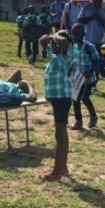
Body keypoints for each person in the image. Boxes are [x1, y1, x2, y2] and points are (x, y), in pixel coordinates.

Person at [39, 29, 74, 180]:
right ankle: (63, 167)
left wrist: (55, 37)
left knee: (59, 135)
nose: (52, 44)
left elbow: (65, 41)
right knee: (62, 133)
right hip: (57, 98)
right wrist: (49, 38)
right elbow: (41, 40)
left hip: (62, 98)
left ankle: (56, 171)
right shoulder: (54, 55)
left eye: (55, 43)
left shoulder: (66, 55)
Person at [70, 22, 100, 130]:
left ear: (83, 34)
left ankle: (93, 116)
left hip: (88, 79)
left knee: (85, 98)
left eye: (76, 34)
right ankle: (78, 121)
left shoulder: (89, 46)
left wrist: (91, 72)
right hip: (77, 77)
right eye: (72, 34)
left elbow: (96, 61)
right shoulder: (73, 47)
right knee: (75, 98)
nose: (74, 37)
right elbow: (73, 62)